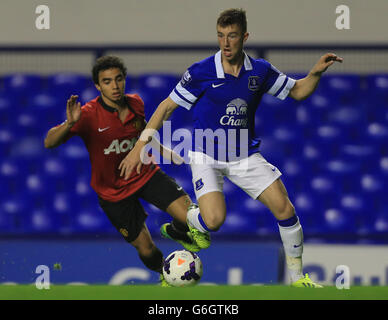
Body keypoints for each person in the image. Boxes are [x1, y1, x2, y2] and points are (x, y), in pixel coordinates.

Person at [120, 8, 343, 288]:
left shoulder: (260, 71)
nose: (225, 43)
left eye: (232, 36)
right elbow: (166, 107)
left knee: (285, 209)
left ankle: (298, 279)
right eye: (221, 36)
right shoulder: (201, 71)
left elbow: (297, 91)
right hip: (206, 154)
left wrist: (315, 73)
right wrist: (140, 146)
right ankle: (185, 223)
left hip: (244, 155)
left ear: (245, 37)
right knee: (213, 221)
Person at [44, 55, 200, 286]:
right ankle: (165, 274)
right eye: (107, 81)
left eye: (118, 79)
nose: (114, 86)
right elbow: (49, 142)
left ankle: (177, 231)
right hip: (112, 193)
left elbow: (143, 131)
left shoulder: (136, 102)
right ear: (98, 86)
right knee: (145, 247)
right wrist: (68, 124)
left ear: (124, 80)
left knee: (190, 216)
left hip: (145, 174)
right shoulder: (86, 115)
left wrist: (163, 150)